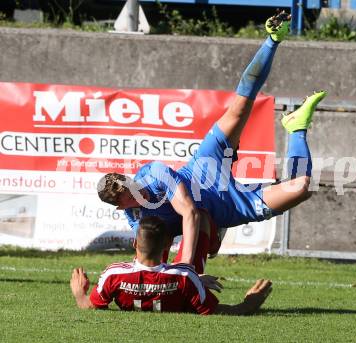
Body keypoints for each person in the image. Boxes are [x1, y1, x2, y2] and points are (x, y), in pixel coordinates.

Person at [97, 11, 327, 267]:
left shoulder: (153, 173)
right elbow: (152, 253)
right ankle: (297, 128)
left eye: (130, 184)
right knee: (302, 187)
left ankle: (272, 39)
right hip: (230, 205)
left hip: (205, 166)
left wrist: (184, 268)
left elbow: (189, 212)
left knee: (239, 108)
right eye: (128, 195)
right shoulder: (137, 217)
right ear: (121, 206)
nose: (135, 190)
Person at [70, 216, 272, 315]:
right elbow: (217, 312)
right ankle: (213, 238)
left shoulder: (113, 274)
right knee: (200, 216)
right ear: (168, 245)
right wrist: (248, 304)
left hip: (177, 276)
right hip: (183, 277)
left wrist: (80, 293)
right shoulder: (185, 276)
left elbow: (91, 306)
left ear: (134, 244)